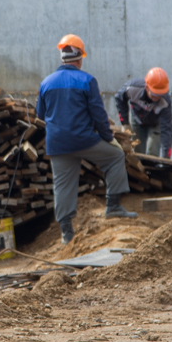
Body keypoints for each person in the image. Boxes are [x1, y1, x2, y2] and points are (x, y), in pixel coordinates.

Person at [37, 34, 137, 244]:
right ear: (80, 58)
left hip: (57, 144)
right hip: (84, 140)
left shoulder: (46, 82)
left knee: (62, 185)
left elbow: (40, 115)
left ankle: (67, 233)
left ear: (62, 58)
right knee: (116, 156)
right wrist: (108, 136)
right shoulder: (87, 80)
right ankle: (113, 206)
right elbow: (98, 115)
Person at [113, 67, 172, 159]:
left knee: (153, 153)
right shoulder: (132, 88)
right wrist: (125, 123)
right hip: (136, 119)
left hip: (155, 123)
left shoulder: (165, 102)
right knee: (138, 152)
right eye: (154, 94)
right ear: (146, 87)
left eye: (160, 95)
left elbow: (167, 130)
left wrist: (166, 157)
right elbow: (119, 99)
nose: (157, 98)